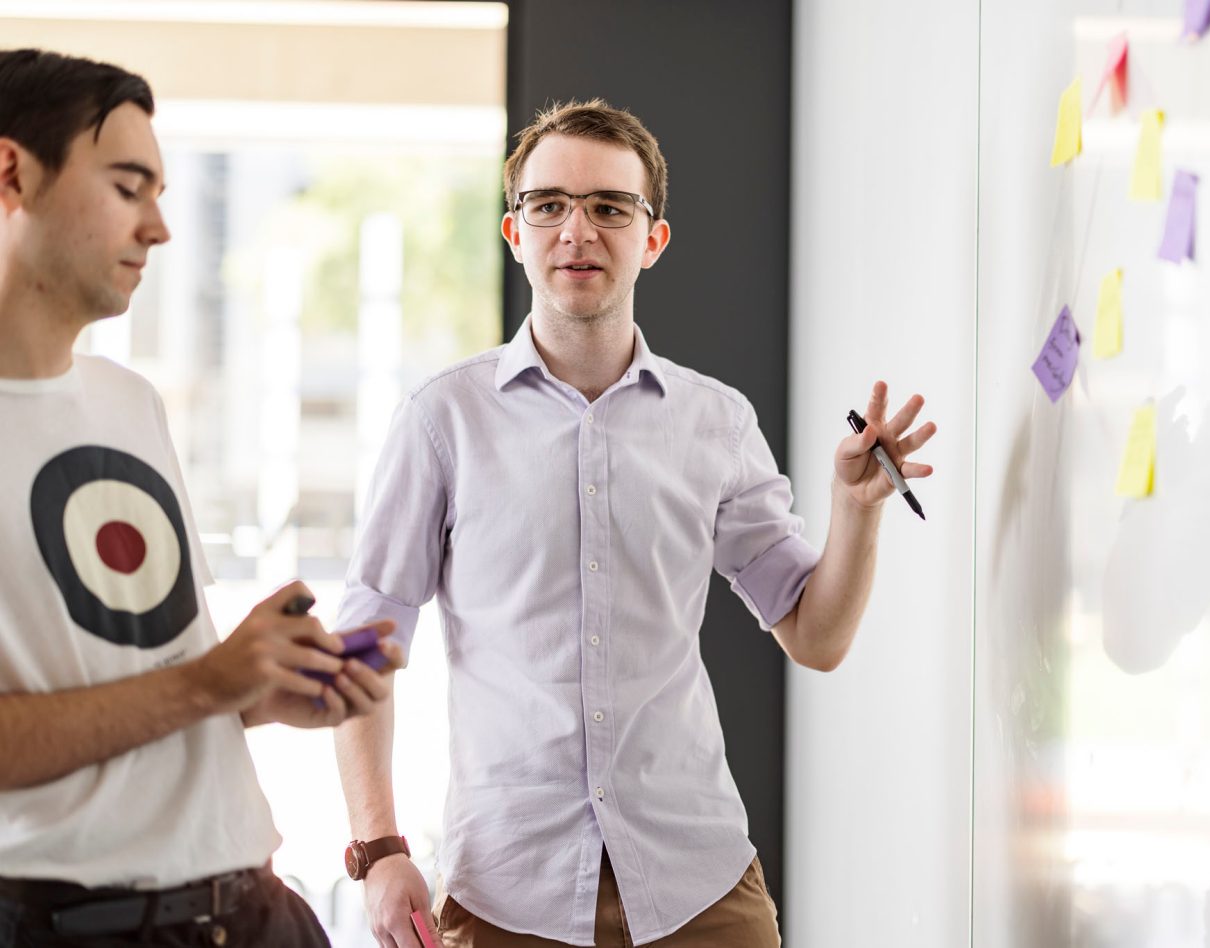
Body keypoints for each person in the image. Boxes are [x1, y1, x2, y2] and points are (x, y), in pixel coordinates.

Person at [334, 99, 935, 948]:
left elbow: (816, 635)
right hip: (510, 891)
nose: (576, 230)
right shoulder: (443, 422)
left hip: (699, 887)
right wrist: (378, 846)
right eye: (549, 205)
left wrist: (856, 512)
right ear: (515, 233)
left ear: (651, 239)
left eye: (610, 207)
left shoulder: (716, 424)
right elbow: (364, 646)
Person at [0, 48, 402, 946]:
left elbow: (140, 691)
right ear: (12, 173)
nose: (160, 228)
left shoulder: (129, 403)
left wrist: (262, 691)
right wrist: (210, 681)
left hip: (253, 911)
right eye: (128, 186)